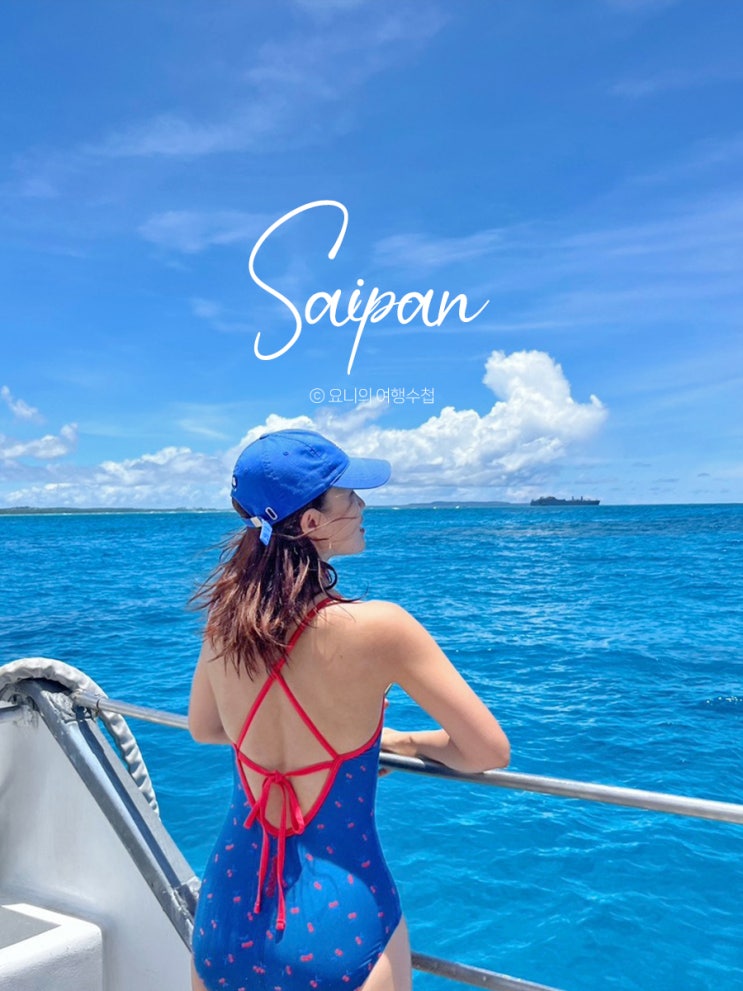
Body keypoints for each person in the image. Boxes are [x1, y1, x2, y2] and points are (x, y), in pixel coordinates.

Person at [189, 428, 510, 991]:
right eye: (350, 495)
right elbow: (486, 752)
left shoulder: (224, 624)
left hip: (227, 911)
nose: (363, 506)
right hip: (337, 921)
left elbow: (205, 728)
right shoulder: (381, 627)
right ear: (312, 523)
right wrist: (396, 742)